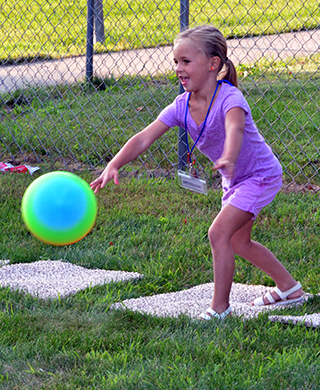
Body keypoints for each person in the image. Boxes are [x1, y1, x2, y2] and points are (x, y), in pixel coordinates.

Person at [90, 24, 303, 321]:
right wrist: (114, 163)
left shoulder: (230, 98)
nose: (178, 68)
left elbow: (235, 127)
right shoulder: (182, 105)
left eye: (186, 61)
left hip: (260, 176)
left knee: (218, 233)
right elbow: (144, 137)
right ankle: (289, 288)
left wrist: (228, 154)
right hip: (234, 180)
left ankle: (220, 308)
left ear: (213, 64)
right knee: (239, 242)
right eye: (176, 62)